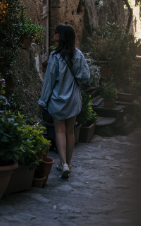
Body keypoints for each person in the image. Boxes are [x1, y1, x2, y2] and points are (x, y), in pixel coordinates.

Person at [38, 24, 90, 179]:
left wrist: (42, 101)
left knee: (59, 131)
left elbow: (49, 81)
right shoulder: (78, 55)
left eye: (56, 33)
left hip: (57, 100)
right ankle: (69, 163)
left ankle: (63, 164)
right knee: (70, 131)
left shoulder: (55, 56)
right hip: (73, 100)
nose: (54, 35)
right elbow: (86, 76)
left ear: (62, 36)